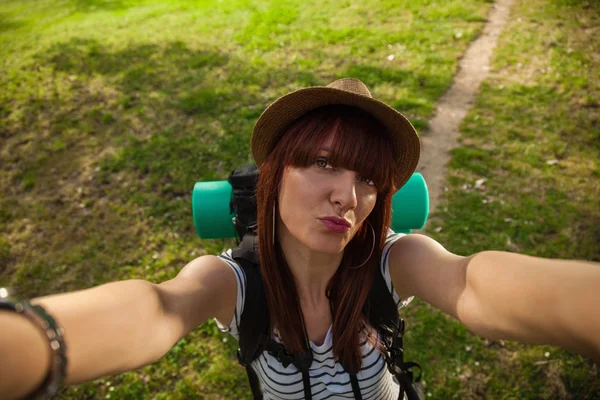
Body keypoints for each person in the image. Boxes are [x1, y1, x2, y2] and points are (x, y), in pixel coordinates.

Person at [1, 78, 599, 400]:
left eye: (368, 178)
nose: (349, 195)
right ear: (274, 176)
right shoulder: (231, 283)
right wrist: (26, 344)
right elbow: (157, 309)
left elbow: (474, 284)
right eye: (322, 164)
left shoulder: (393, 259)